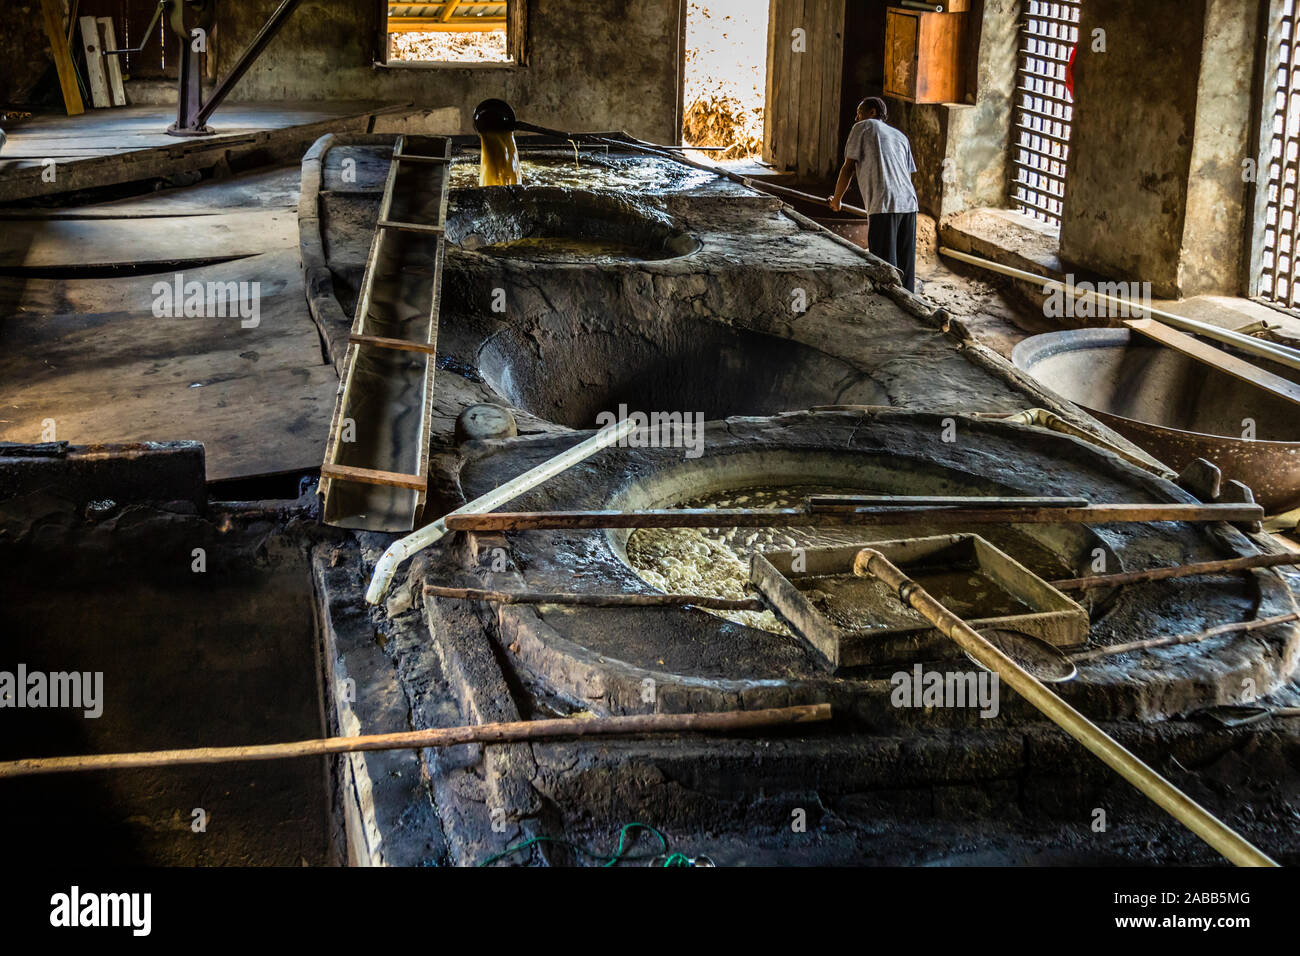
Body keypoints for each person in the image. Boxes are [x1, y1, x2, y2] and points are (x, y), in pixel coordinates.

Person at [829, 96, 918, 292]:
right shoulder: (900, 136)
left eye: (859, 113)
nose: (855, 118)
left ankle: (890, 309)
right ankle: (911, 307)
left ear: (872, 112)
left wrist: (837, 200)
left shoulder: (864, 127)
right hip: (909, 203)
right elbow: (908, 174)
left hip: (884, 203)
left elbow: (848, 168)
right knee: (905, 268)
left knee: (885, 268)